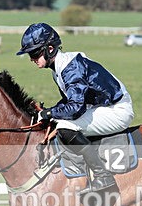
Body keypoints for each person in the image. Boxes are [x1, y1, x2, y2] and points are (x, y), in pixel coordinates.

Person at [17, 22, 134, 192]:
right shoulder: (59, 68)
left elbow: (75, 108)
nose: (32, 59)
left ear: (50, 49)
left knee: (65, 127)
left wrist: (49, 113)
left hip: (117, 110)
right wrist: (47, 112)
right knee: (58, 121)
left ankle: (102, 176)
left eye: (35, 53)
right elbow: (68, 101)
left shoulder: (70, 68)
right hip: (102, 106)